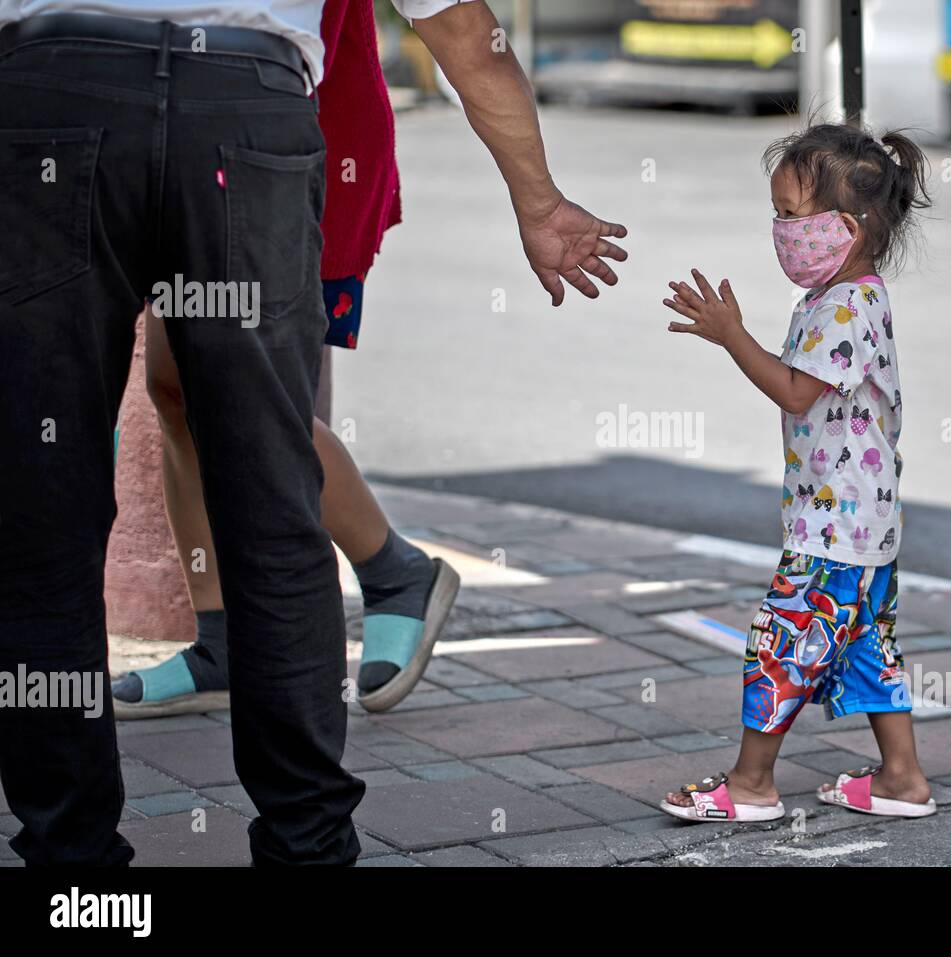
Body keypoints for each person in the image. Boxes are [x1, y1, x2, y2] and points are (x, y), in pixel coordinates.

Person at [0, 0, 626, 866]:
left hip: (53, 101)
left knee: (41, 519)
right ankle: (308, 848)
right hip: (245, 110)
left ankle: (73, 871)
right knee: (273, 509)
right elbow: (462, 31)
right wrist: (538, 197)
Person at [113, 0, 457, 719]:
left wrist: (537, 195)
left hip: (295, 141)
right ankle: (221, 642)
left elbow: (458, 29)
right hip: (188, 141)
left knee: (251, 391)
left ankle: (394, 571)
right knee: (173, 386)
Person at [657, 124, 935, 823]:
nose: (780, 230)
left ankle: (752, 784)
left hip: (835, 524)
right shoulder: (847, 295)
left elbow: (796, 391)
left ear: (845, 226)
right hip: (862, 520)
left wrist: (731, 336)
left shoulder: (845, 305)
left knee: (779, 642)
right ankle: (902, 778)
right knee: (868, 645)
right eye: (776, 215)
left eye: (789, 215)